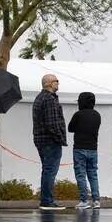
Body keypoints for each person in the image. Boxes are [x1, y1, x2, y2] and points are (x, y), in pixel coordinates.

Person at [32, 74, 66, 210]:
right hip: (50, 141)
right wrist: (59, 137)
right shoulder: (49, 99)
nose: (58, 83)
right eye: (56, 81)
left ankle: (46, 199)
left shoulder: (40, 98)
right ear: (49, 84)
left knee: (46, 170)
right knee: (50, 170)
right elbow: (52, 123)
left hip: (41, 140)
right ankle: (47, 201)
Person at [68, 91, 101, 209]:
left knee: (81, 174)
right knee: (93, 174)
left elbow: (70, 128)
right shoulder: (97, 115)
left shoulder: (78, 114)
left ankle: (84, 200)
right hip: (93, 148)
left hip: (79, 148)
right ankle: (96, 200)